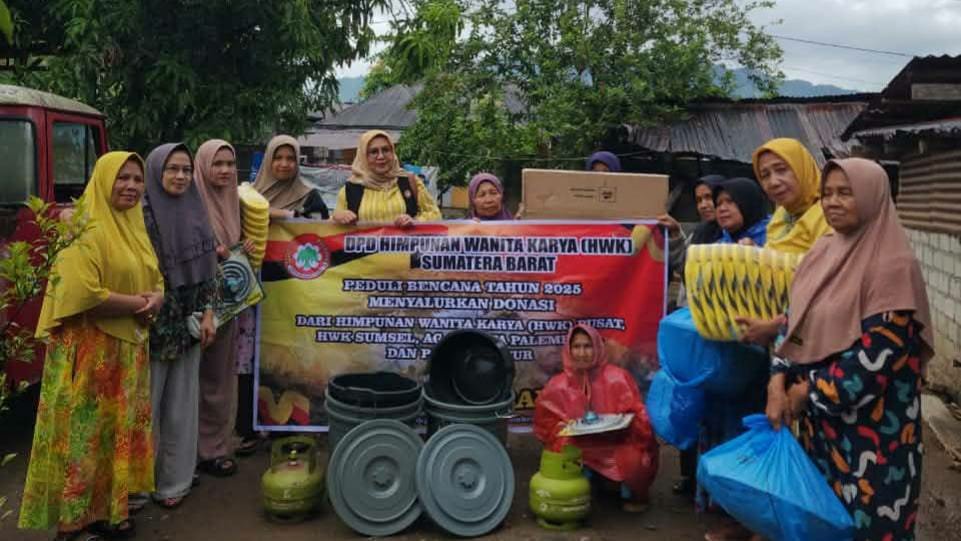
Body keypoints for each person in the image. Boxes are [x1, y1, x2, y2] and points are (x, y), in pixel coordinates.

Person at [766, 158, 932, 541]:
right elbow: (794, 321)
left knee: (869, 529)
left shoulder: (893, 267)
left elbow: (873, 361)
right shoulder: (822, 252)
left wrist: (805, 392)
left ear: (873, 196)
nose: (832, 202)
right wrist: (776, 381)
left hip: (873, 439)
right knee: (818, 525)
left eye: (845, 193)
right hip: (818, 434)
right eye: (826, 193)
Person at [19, 152, 164, 540]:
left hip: (125, 350)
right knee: (81, 437)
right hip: (88, 351)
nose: (131, 186)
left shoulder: (133, 227)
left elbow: (154, 277)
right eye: (122, 178)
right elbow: (84, 293)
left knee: (111, 435)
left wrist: (158, 297)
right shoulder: (81, 228)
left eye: (137, 179)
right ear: (102, 180)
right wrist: (141, 304)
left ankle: (104, 512)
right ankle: (71, 524)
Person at [142, 143, 220, 509]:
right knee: (145, 407)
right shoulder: (141, 215)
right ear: (156, 172)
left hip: (189, 321)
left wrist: (209, 314)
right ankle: (137, 487)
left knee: (181, 405)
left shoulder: (196, 209)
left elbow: (209, 269)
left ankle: (174, 482)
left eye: (186, 170)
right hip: (150, 323)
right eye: (172, 169)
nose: (180, 176)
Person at [697, 177, 772, 541]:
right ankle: (728, 513)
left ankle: (752, 519)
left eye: (730, 201)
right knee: (721, 431)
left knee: (749, 436)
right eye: (719, 201)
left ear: (750, 204)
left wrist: (753, 262)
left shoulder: (771, 242)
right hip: (722, 357)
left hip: (759, 360)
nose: (722, 207)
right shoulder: (718, 244)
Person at [534, 324, 659, 513]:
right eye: (577, 347)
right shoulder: (557, 385)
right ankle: (578, 489)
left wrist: (624, 424)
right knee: (562, 447)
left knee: (635, 455)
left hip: (615, 442)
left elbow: (638, 416)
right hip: (578, 443)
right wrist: (565, 428)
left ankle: (632, 492)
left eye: (587, 346)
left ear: (598, 348)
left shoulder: (618, 378)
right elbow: (545, 424)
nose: (582, 353)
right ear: (569, 349)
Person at [193, 139, 257, 477]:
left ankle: (214, 449)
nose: (225, 170)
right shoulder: (189, 201)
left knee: (219, 379)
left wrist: (241, 247)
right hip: (192, 302)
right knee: (187, 381)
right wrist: (209, 250)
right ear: (203, 166)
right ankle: (182, 457)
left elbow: (235, 246)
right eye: (217, 164)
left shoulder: (236, 201)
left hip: (227, 301)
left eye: (230, 164)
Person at [736, 138, 832, 346]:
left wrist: (774, 326)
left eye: (781, 170)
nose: (773, 182)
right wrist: (755, 255)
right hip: (779, 340)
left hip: (816, 340)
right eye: (765, 175)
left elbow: (830, 289)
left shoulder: (828, 216)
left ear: (802, 168)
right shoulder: (781, 216)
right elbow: (778, 265)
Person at [331, 130, 441, 226]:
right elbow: (331, 229)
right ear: (363, 157)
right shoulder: (351, 189)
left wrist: (415, 221)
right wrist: (337, 218)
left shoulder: (409, 181)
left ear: (393, 153)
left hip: (405, 244)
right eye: (374, 152)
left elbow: (434, 214)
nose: (381, 156)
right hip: (366, 245)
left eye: (385, 150)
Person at [252, 135, 329, 220]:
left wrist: (286, 215)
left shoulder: (310, 198)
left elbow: (320, 226)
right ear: (268, 160)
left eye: (291, 158)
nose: (284, 164)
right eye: (278, 158)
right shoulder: (249, 195)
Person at [713, 177, 770, 246]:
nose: (722, 209)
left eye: (730, 201)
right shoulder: (720, 245)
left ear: (747, 204)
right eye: (718, 204)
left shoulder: (775, 235)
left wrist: (755, 250)